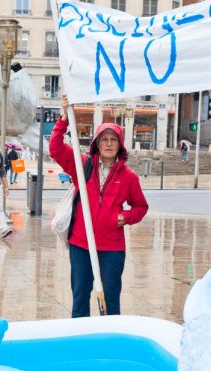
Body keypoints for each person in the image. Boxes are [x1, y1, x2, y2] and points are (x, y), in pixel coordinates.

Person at [50, 95, 149, 317]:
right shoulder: (82, 163)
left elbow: (141, 207)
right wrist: (64, 118)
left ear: (120, 145)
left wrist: (125, 216)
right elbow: (55, 148)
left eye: (113, 140)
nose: (108, 143)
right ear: (96, 142)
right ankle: (80, 341)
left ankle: (109, 339)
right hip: (81, 244)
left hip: (112, 248)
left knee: (111, 299)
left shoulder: (128, 176)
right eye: (104, 139)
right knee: (80, 297)